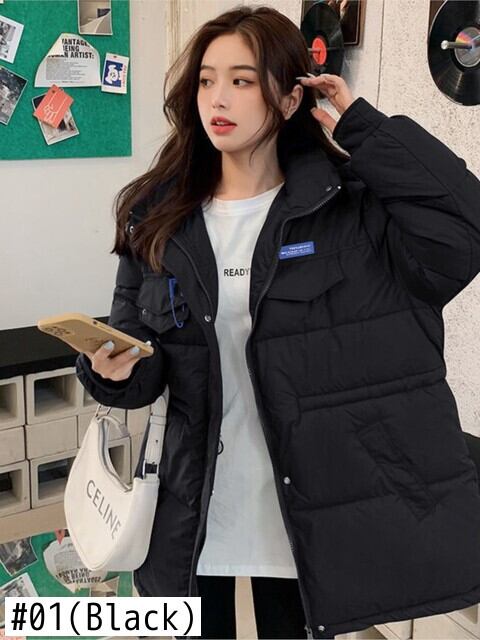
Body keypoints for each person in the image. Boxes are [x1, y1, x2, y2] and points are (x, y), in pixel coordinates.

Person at [75, 5, 480, 640]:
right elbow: (145, 362)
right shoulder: (157, 216)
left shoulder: (350, 213)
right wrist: (111, 372)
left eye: (242, 80)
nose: (217, 98)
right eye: (207, 80)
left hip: (312, 511)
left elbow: (461, 229)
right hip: (195, 506)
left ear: (291, 99)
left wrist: (364, 127)